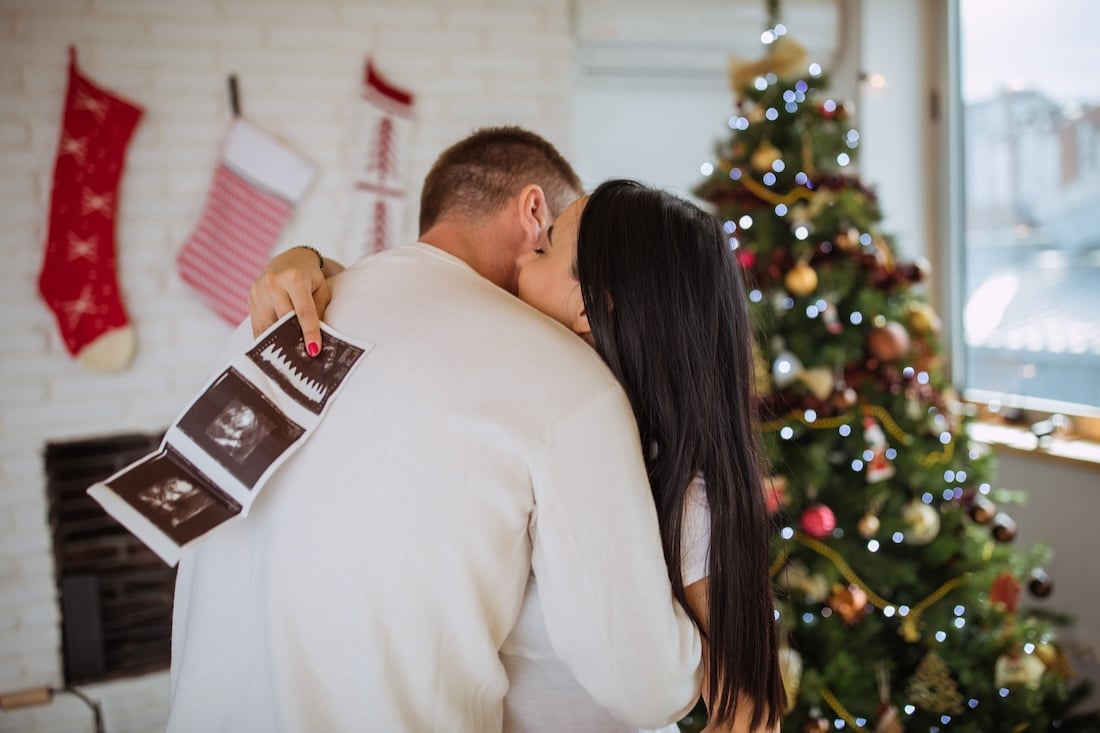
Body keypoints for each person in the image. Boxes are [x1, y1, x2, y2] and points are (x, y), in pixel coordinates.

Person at [166, 128, 704, 733]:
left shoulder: (270, 321)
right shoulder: (565, 383)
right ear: (533, 212)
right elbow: (648, 687)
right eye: (552, 241)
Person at [251, 179, 786, 731]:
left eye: (543, 247)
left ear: (588, 306)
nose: (520, 258)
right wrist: (307, 260)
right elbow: (407, 301)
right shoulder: (525, 400)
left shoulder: (677, 491)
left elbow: (747, 708)